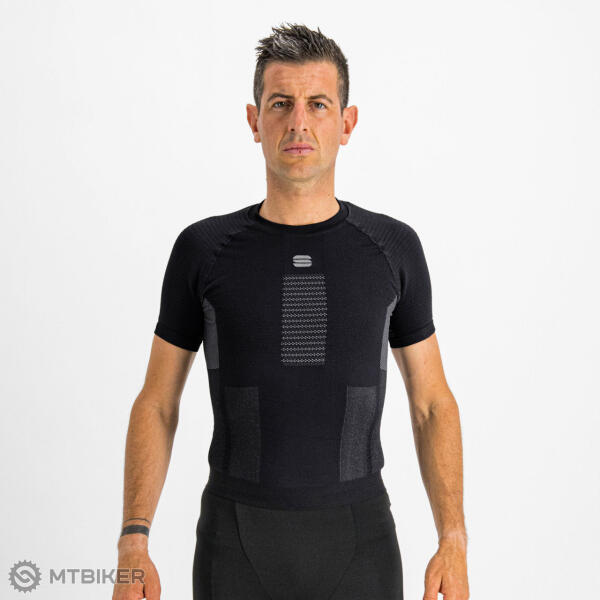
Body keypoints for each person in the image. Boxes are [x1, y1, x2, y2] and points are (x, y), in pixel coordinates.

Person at [113, 22, 469, 600]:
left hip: (360, 546)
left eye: (317, 104)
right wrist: (133, 541)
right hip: (234, 545)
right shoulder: (204, 250)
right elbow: (157, 402)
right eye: (280, 103)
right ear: (254, 121)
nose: (298, 122)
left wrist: (453, 539)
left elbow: (431, 404)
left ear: (346, 123)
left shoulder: (392, 248)